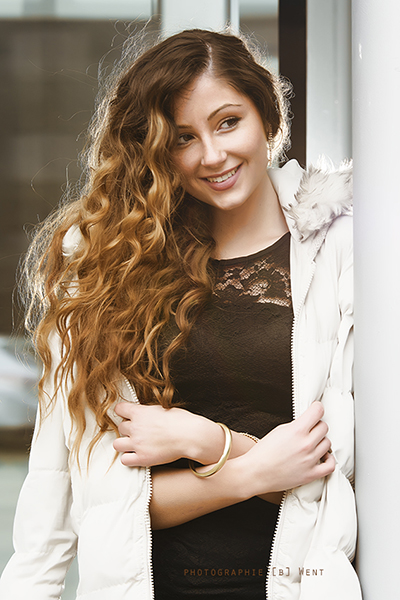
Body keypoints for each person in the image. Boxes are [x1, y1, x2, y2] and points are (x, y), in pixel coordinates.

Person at [0, 28, 361, 600]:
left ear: (267, 116)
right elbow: (101, 500)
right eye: (183, 138)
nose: (212, 155)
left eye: (228, 122)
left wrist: (204, 440)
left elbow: (334, 477)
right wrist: (249, 469)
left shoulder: (343, 248)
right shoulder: (109, 266)